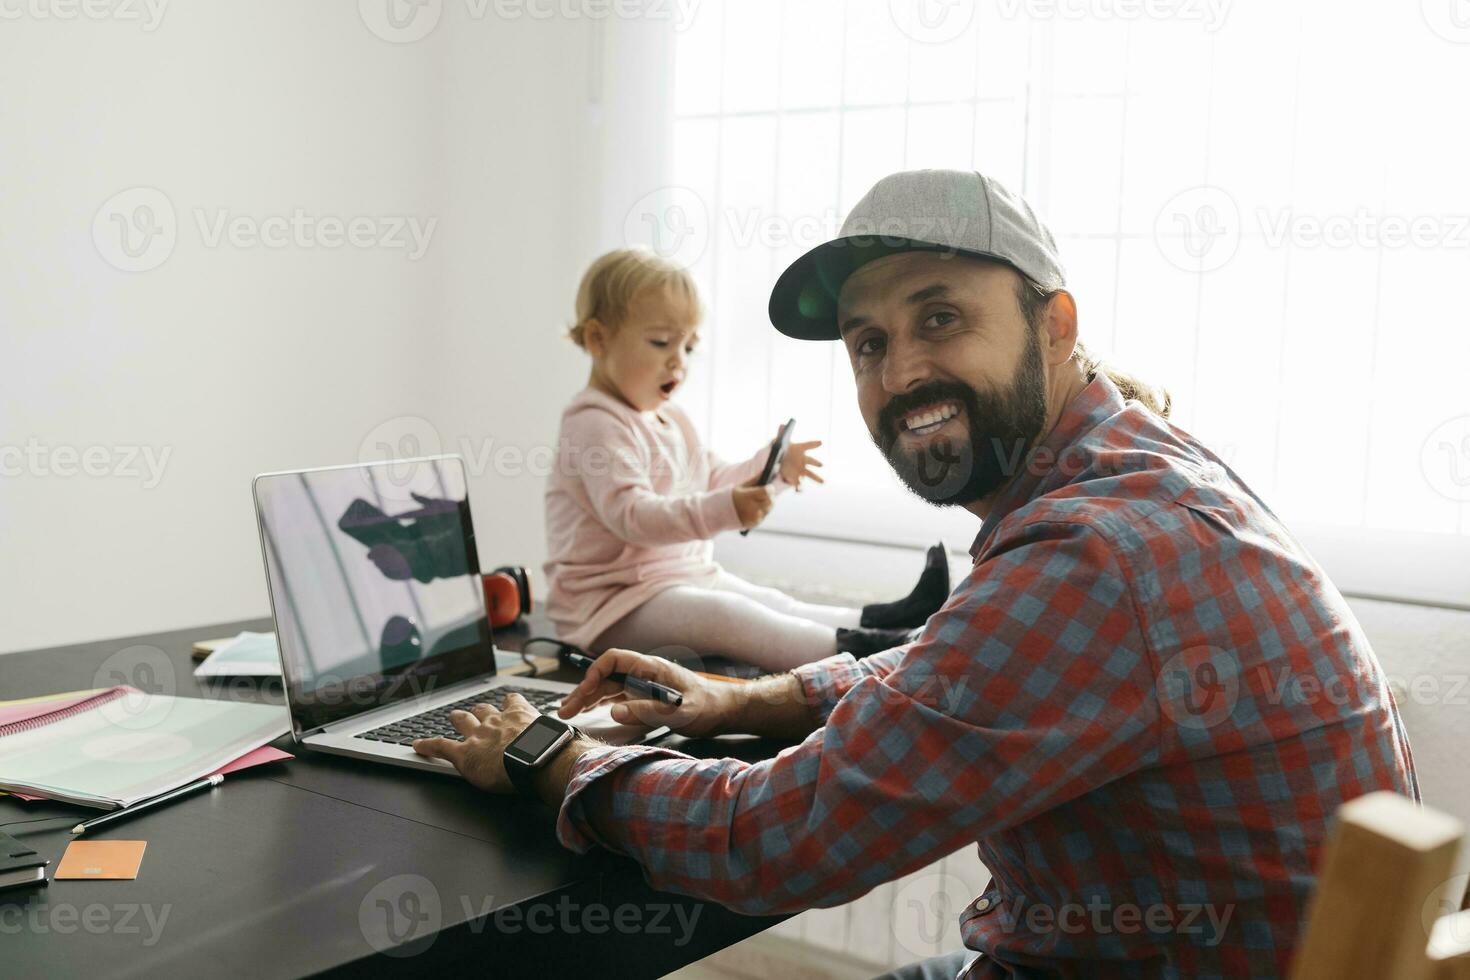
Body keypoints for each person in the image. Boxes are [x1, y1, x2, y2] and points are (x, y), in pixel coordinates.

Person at [415, 171, 1418, 978]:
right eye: (869, 343)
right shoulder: (1139, 472)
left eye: (940, 318)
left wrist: (547, 753)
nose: (897, 377)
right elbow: (960, 669)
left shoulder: (1093, 555)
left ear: (1055, 325)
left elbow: (772, 838)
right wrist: (750, 696)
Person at [542, 247, 951, 671]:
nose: (677, 361)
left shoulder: (669, 418)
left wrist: (769, 471)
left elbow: (715, 477)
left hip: (676, 579)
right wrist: (727, 508)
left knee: (767, 600)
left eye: (688, 346)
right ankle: (865, 653)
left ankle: (883, 621)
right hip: (608, 607)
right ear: (598, 339)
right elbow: (633, 515)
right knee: (724, 618)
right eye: (661, 342)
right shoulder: (593, 423)